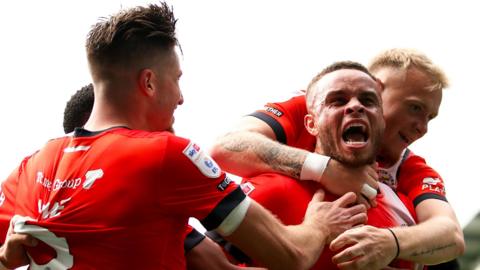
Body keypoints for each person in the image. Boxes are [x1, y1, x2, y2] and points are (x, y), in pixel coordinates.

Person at [0, 3, 367, 269]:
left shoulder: (30, 167)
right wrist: (318, 225)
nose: (181, 97)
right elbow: (290, 255)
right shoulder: (165, 155)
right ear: (148, 82)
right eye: (177, 80)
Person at [210, 48, 465, 268]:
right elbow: (224, 147)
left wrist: (389, 243)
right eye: (415, 107)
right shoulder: (313, 103)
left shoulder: (409, 169)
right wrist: (324, 169)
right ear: (377, 87)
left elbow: (450, 235)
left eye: (430, 117)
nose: (423, 127)